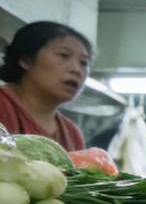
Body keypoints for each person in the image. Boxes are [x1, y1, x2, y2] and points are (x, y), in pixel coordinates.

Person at [0, 20, 91, 152]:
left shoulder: (73, 134)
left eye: (84, 62)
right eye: (63, 55)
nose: (77, 70)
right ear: (26, 60)